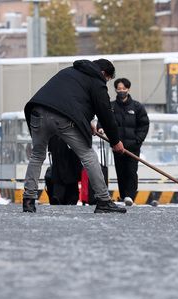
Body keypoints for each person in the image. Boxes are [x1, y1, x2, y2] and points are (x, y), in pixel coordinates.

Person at [22, 58, 126, 214]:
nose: (105, 83)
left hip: (37, 111)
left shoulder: (69, 72)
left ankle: (28, 201)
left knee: (37, 155)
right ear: (104, 73)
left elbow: (72, 99)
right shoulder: (97, 80)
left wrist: (86, 122)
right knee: (88, 155)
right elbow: (105, 113)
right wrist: (115, 141)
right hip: (62, 118)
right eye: (107, 80)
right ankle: (104, 200)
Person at [98, 78, 150, 206]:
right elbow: (103, 118)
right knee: (120, 171)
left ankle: (130, 195)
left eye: (124, 88)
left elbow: (144, 125)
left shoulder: (137, 107)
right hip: (117, 145)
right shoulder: (111, 106)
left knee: (131, 171)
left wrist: (138, 140)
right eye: (119, 89)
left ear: (128, 89)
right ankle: (123, 195)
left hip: (133, 146)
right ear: (115, 89)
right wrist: (100, 127)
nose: (121, 91)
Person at [45, 135, 83, 205]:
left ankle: (58, 195)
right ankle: (65, 196)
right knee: (71, 167)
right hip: (70, 136)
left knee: (59, 167)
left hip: (57, 138)